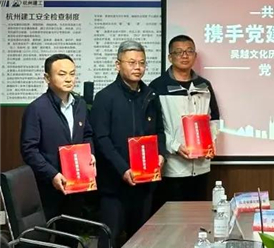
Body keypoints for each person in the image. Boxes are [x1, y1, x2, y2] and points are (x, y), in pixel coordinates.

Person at [91, 41, 165, 248]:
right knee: (110, 238)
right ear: (118, 64)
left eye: (142, 63)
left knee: (141, 239)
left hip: (145, 183)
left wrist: (161, 154)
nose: (137, 67)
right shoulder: (105, 97)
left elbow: (160, 131)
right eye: (131, 62)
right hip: (114, 184)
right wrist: (123, 169)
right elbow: (101, 139)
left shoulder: (150, 95)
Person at [20, 54, 95, 221]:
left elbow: (87, 134)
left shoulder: (80, 105)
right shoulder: (36, 109)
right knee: (47, 231)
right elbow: (29, 150)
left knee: (71, 230)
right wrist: (52, 174)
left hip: (76, 183)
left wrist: (90, 154)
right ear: (47, 78)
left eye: (72, 74)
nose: (68, 79)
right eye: (62, 74)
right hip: (48, 185)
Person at [150, 35, 220, 211]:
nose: (184, 56)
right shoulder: (157, 87)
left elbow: (214, 118)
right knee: (173, 218)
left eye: (189, 51)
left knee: (198, 216)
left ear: (195, 56)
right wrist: (174, 146)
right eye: (179, 52)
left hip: (201, 167)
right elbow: (153, 127)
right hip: (173, 168)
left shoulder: (204, 85)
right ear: (170, 57)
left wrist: (211, 142)